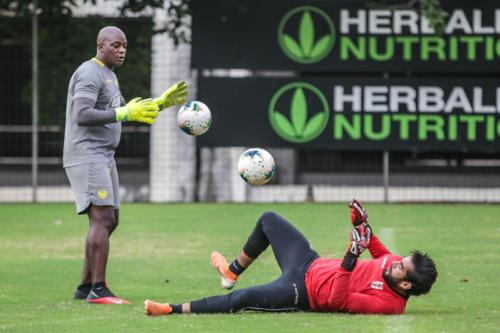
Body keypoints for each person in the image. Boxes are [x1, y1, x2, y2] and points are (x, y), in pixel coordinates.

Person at [63, 26, 188, 304]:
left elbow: (123, 110)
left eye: (124, 46)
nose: (121, 50)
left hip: (104, 155)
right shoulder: (89, 72)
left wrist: (158, 104)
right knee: (102, 218)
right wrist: (125, 112)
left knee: (111, 220)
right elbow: (82, 114)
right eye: (116, 45)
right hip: (87, 153)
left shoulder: (109, 76)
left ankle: (85, 286)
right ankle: (98, 289)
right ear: (100, 45)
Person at [144, 199, 437, 315]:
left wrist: (350, 256)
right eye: (401, 260)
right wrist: (360, 223)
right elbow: (372, 243)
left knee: (242, 299)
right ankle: (231, 272)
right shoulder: (393, 263)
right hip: (309, 262)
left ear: (407, 285)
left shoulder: (389, 305)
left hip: (304, 292)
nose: (395, 262)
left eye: (401, 268)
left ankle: (170, 309)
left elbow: (337, 301)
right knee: (269, 219)